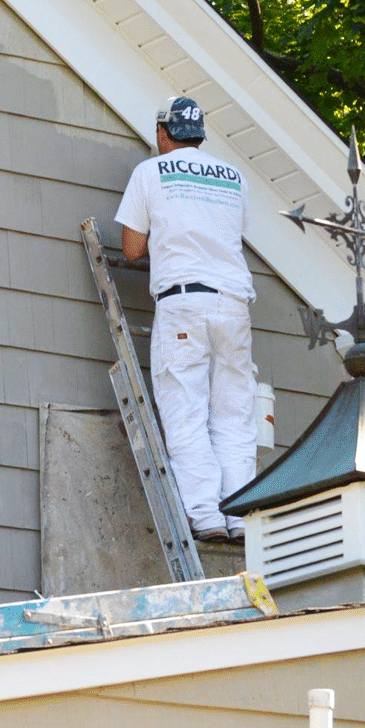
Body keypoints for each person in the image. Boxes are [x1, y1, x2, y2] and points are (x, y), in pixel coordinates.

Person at [114, 97, 257, 544]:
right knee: (235, 417)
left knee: (185, 411)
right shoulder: (233, 177)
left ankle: (206, 516)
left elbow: (133, 249)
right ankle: (240, 515)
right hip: (234, 306)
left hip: (184, 303)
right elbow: (234, 235)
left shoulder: (150, 172)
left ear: (163, 133)